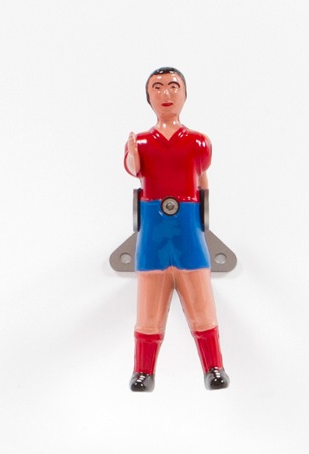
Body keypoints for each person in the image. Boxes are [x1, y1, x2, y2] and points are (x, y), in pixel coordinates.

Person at [124, 67, 230, 391]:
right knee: (148, 308)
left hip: (187, 230)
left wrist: (203, 218)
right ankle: (143, 372)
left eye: (173, 86)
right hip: (153, 232)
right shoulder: (141, 142)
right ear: (148, 97)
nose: (166, 94)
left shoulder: (198, 142)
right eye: (157, 88)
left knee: (201, 302)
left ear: (184, 94)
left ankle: (214, 368)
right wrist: (132, 155)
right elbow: (133, 169)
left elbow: (202, 181)